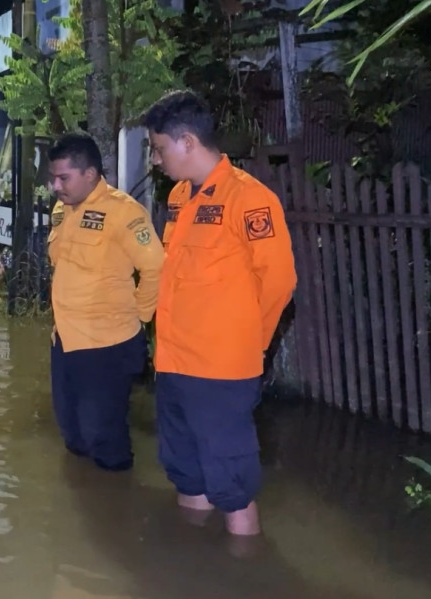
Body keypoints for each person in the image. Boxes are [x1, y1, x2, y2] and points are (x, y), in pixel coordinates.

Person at [141, 90, 297, 535]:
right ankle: (196, 563)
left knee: (231, 482)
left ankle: (244, 570)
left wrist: (250, 344)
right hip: (173, 362)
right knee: (185, 469)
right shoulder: (177, 199)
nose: (155, 159)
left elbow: (280, 283)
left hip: (222, 370)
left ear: (188, 142)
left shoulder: (249, 200)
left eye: (158, 147)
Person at [45, 132, 164, 471]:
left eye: (63, 177)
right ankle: (88, 505)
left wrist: (141, 316)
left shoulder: (124, 212)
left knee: (104, 436)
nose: (56, 186)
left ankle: (116, 507)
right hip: (65, 341)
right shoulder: (61, 209)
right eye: (53, 177)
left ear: (90, 174)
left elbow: (156, 267)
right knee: (72, 433)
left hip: (107, 344)